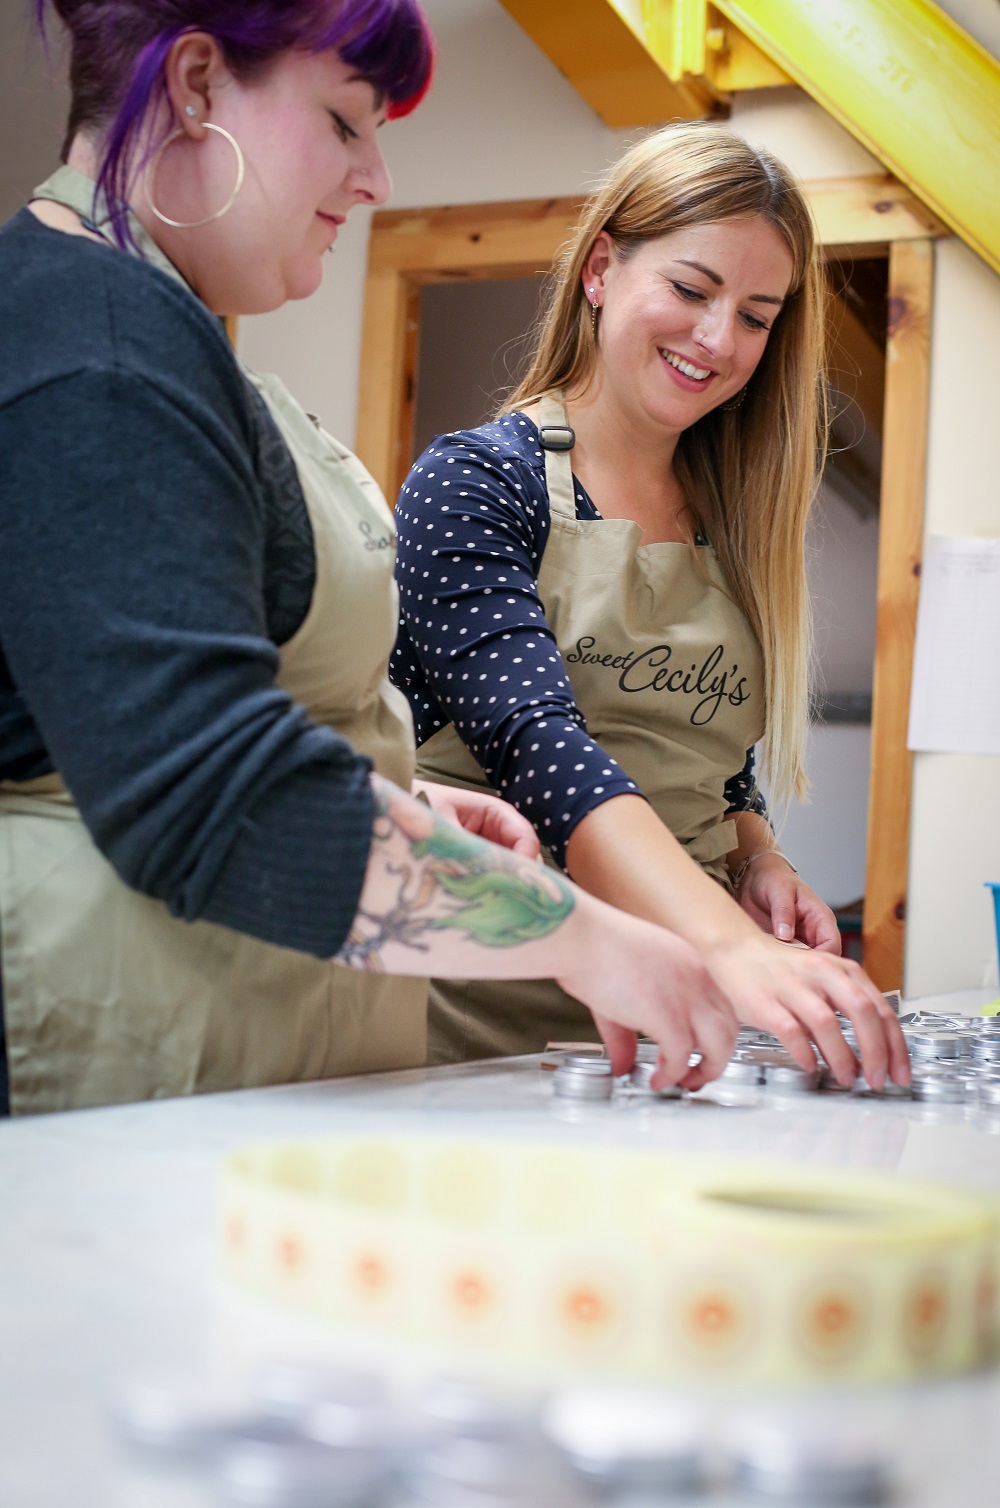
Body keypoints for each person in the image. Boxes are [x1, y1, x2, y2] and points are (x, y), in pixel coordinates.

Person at [0, 1, 740, 1116]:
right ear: (195, 86)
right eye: (347, 123)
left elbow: (119, 713)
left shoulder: (163, 332)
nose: (377, 178)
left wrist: (405, 807)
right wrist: (584, 935)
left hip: (236, 1060)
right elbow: (206, 794)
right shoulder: (97, 352)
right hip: (127, 1074)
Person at [390, 124, 910, 1090]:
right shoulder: (474, 485)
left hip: (688, 1028)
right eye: (691, 288)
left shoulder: (736, 519)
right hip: (482, 1028)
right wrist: (731, 947)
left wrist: (759, 856)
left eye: (757, 315)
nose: (719, 340)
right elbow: (541, 744)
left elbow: (711, 762)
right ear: (599, 269)